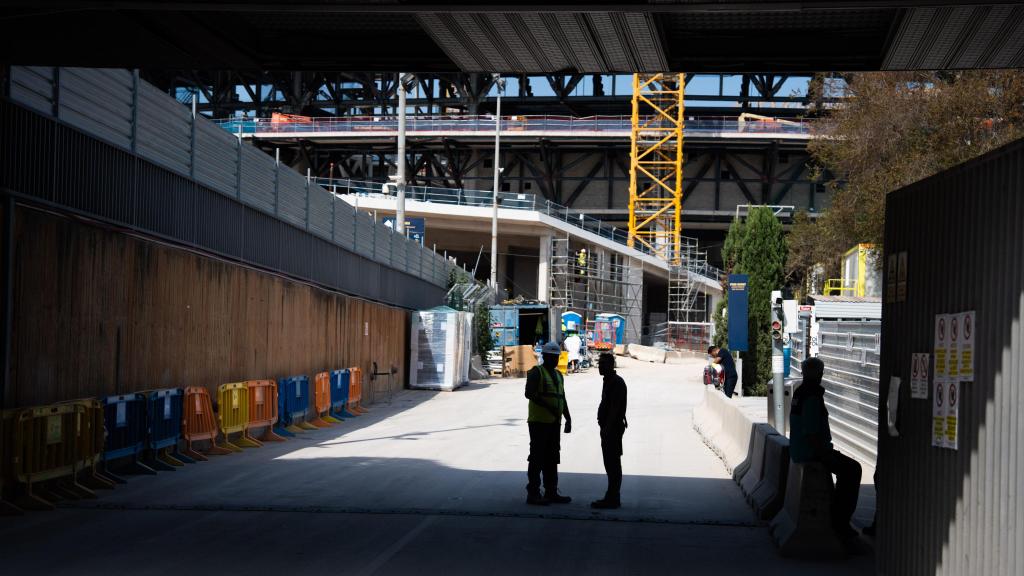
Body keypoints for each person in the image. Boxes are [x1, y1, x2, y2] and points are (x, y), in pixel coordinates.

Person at [790, 357, 863, 546]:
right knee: (852, 470)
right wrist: (826, 454)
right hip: (810, 452)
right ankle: (840, 523)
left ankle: (836, 516)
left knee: (846, 468)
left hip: (800, 450)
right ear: (820, 374)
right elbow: (812, 432)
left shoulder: (800, 392)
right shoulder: (812, 396)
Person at [524, 341, 573, 505]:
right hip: (539, 422)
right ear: (545, 357)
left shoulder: (559, 375)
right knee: (537, 457)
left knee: (552, 458)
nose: (555, 360)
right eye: (552, 357)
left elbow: (562, 397)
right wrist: (550, 408)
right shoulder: (536, 372)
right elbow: (529, 393)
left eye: (556, 357)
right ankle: (533, 493)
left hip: (554, 423)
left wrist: (568, 417)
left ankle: (551, 491)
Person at [592, 353, 627, 509]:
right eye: (600, 363)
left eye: (604, 364)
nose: (600, 366)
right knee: (610, 462)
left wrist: (607, 428)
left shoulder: (616, 383)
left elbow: (615, 408)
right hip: (608, 428)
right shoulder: (608, 381)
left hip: (612, 429)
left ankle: (613, 497)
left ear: (611, 365)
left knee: (613, 463)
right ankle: (612, 496)